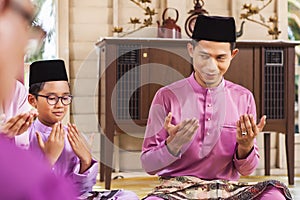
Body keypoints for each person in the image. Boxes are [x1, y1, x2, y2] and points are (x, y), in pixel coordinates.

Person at [140, 15, 292, 199]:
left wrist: (246, 146)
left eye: (220, 58)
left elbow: (247, 170)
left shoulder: (243, 98)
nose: (211, 67)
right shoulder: (166, 96)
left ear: (232, 55)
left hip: (227, 189)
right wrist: (172, 145)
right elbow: (149, 165)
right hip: (177, 191)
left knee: (275, 195)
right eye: (204, 56)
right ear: (191, 50)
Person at [27, 59, 139, 199]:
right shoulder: (24, 137)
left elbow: (82, 191)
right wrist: (49, 159)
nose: (60, 105)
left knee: (128, 196)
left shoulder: (73, 137)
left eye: (65, 97)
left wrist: (86, 160)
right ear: (32, 100)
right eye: (52, 98)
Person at [0, 0, 76, 199]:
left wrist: (86, 162)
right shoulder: (36, 134)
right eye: (24, 19)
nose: (25, 43)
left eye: (65, 97)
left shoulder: (15, 92)